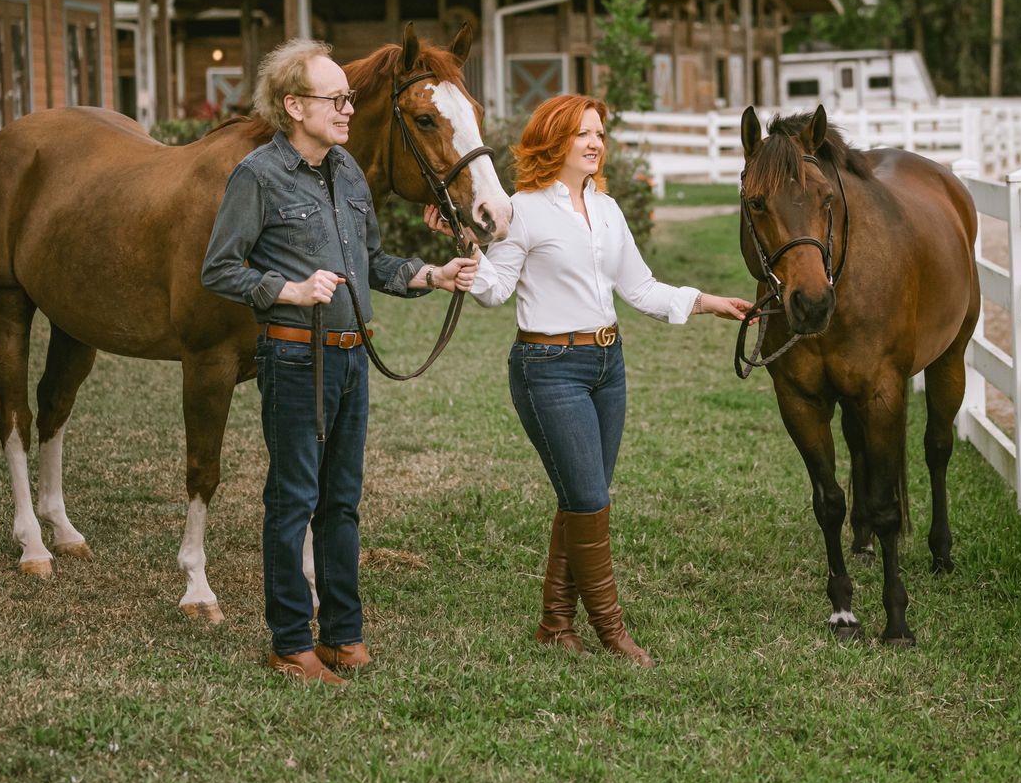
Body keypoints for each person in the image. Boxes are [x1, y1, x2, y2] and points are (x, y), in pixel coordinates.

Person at [202, 38, 477, 687]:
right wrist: (286, 290)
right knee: (293, 499)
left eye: (349, 98)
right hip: (296, 361)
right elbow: (219, 269)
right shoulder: (257, 176)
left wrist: (431, 275)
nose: (348, 108)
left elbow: (371, 264)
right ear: (294, 106)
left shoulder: (349, 172)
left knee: (343, 504)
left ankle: (343, 636)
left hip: (353, 362)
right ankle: (290, 643)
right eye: (335, 99)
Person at [455, 94, 750, 667]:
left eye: (598, 134)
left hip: (607, 367)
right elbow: (494, 291)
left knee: (580, 497)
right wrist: (467, 247)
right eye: (581, 134)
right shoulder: (522, 209)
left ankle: (554, 623)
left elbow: (639, 288)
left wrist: (711, 303)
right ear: (554, 141)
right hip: (548, 370)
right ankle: (611, 629)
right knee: (589, 497)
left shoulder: (607, 210)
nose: (594, 143)